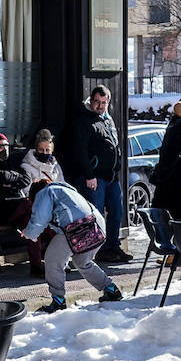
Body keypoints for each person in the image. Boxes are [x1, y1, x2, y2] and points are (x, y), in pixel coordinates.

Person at [22, 179, 123, 313]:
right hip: (97, 225)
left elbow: (40, 218)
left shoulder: (45, 192)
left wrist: (29, 233)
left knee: (52, 259)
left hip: (79, 227)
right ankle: (111, 289)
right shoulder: (65, 190)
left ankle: (58, 301)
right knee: (83, 262)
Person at [69, 85, 131, 263]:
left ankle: (113, 247)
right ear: (91, 100)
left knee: (117, 212)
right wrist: (89, 175)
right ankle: (97, 249)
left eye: (104, 102)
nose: (100, 105)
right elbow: (80, 151)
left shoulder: (107, 119)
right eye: (97, 101)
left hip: (111, 176)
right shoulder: (83, 120)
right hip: (94, 177)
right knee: (96, 215)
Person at [18, 129, 62, 276]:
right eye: (41, 149)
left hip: (54, 208)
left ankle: (57, 263)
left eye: (47, 150)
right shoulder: (26, 167)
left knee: (59, 230)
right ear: (35, 149)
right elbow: (27, 192)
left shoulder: (56, 167)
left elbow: (62, 186)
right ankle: (36, 265)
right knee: (34, 228)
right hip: (35, 208)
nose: (44, 152)